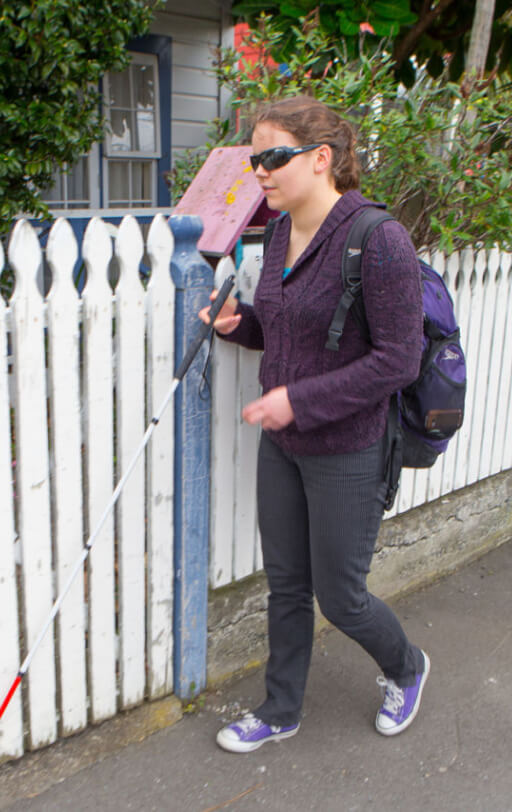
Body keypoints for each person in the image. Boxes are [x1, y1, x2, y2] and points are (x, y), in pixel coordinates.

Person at [200, 96, 430, 753]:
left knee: (342, 597)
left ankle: (407, 667)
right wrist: (237, 325)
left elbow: (398, 359)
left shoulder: (377, 239)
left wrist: (297, 400)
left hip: (349, 450)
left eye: (272, 157)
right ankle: (279, 711)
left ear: (321, 158)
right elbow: (283, 328)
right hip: (285, 445)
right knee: (288, 587)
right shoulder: (277, 234)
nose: (260, 173)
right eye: (254, 160)